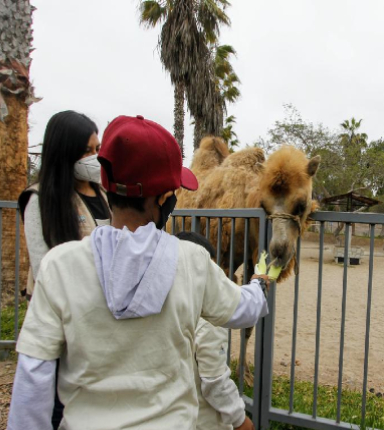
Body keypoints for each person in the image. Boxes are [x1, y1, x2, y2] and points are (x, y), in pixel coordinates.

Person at [8, 115, 270, 430]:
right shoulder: (192, 262)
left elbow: (32, 381)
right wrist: (259, 283)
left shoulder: (59, 267)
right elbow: (245, 310)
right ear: (163, 198)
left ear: (106, 183)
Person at [17, 110, 111, 430]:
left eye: (97, 149)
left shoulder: (103, 194)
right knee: (59, 400)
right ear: (65, 151)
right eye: (87, 151)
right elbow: (45, 267)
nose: (94, 158)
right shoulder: (40, 199)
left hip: (100, 318)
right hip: (62, 319)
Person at [175, 231, 255, 430]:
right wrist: (240, 420)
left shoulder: (164, 307)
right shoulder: (210, 320)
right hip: (204, 421)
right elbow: (214, 382)